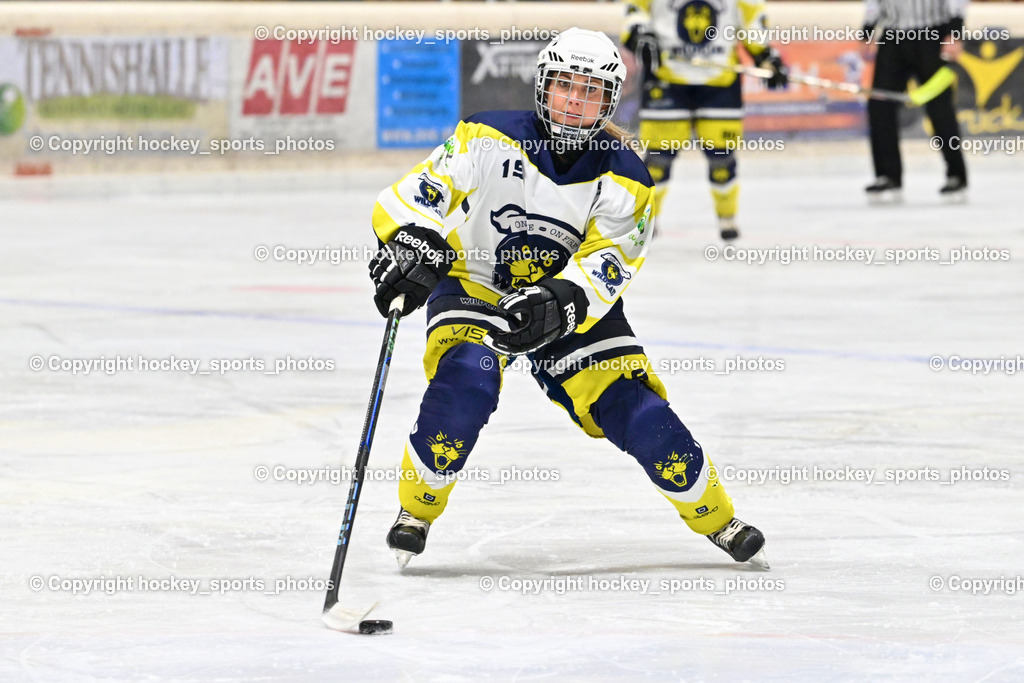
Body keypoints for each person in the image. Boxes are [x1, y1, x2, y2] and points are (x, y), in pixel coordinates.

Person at [367, 28, 768, 571]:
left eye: (590, 91)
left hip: (569, 301)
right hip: (477, 279)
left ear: (609, 100)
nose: (574, 100)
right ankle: (416, 512)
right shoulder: (486, 135)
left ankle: (718, 518)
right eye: (564, 86)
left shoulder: (626, 175)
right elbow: (419, 195)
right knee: (467, 378)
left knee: (637, 410)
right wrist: (413, 240)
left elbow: (612, 262)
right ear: (543, 86)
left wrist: (563, 300)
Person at [622, 0, 788, 240]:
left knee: (722, 158)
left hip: (719, 82)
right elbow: (635, 9)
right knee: (658, 159)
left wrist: (765, 56)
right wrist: (639, 33)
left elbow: (751, 19)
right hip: (666, 78)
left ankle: (727, 217)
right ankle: (645, 219)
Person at [863, 0, 969, 202]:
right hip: (893, 35)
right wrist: (867, 31)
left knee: (940, 108)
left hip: (931, 34)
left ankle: (956, 174)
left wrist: (955, 33)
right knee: (880, 106)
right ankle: (888, 175)